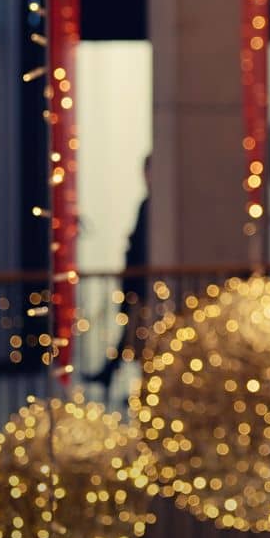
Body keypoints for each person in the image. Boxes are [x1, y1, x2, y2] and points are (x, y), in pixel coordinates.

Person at [89, 154, 149, 389]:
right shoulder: (147, 205)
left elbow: (139, 246)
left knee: (137, 337)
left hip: (144, 285)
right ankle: (112, 372)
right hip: (140, 285)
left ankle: (111, 371)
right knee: (134, 336)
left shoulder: (151, 206)